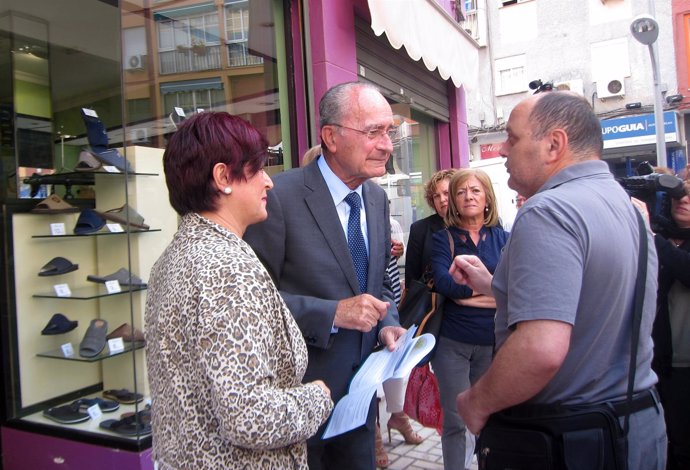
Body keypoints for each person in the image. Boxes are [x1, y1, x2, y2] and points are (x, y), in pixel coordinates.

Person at [450, 92, 666, 470]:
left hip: (568, 440)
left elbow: (541, 349)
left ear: (554, 145)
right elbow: (593, 300)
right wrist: (492, 284)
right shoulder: (628, 208)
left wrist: (476, 401)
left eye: (513, 138)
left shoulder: (549, 210)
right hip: (635, 427)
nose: (502, 149)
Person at [144, 112, 333, 470]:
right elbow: (249, 417)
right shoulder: (225, 269)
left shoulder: (174, 257)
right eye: (258, 168)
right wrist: (316, 398)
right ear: (222, 177)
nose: (269, 182)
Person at [244, 81, 406, 470]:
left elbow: (380, 279)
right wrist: (332, 313)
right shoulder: (277, 196)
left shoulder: (376, 197)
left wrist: (388, 321)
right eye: (373, 132)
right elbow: (252, 300)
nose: (386, 145)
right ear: (330, 137)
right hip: (298, 398)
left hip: (362, 395)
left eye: (390, 131)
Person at [430, 168, 509, 470]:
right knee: (455, 419)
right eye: (461, 192)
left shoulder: (504, 238)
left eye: (475, 190)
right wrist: (493, 291)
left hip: (493, 343)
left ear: (487, 198)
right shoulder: (444, 239)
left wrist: (471, 294)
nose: (468, 196)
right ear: (454, 201)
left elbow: (512, 287)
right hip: (453, 344)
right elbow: (445, 285)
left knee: (488, 418)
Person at [636, 180, 690, 469]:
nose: (683, 199)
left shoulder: (656, 238)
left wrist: (651, 235)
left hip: (685, 362)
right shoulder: (660, 235)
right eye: (679, 193)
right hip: (653, 360)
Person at [375, 216, 422, 469]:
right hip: (356, 296)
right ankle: (374, 432)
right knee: (364, 365)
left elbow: (392, 260)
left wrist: (396, 250)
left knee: (393, 356)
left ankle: (398, 415)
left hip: (387, 294)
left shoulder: (387, 218)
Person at [404, 169, 457, 287]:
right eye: (436, 196)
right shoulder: (419, 229)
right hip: (434, 302)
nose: (442, 199)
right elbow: (412, 280)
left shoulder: (476, 223)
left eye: (446, 193)